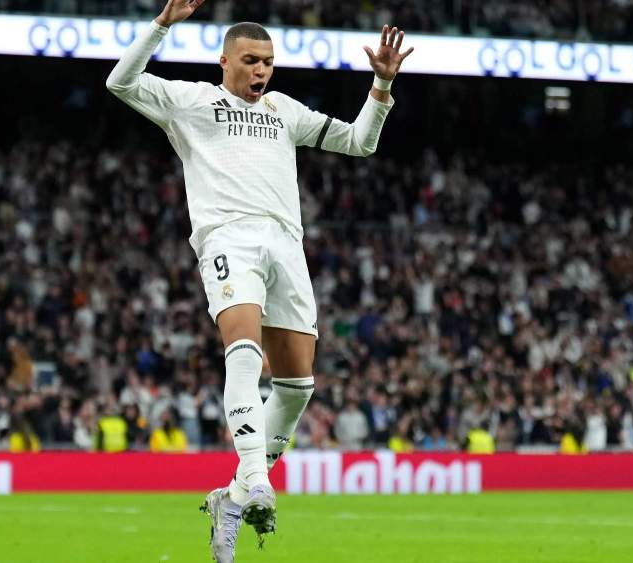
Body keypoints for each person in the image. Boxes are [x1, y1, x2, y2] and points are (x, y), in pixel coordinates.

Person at [107, 1, 413, 558]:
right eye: (250, 60)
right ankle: (256, 476)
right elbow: (120, 81)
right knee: (244, 351)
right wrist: (161, 26)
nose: (261, 71)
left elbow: (359, 142)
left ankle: (233, 493)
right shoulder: (193, 102)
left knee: (298, 386)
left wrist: (381, 89)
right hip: (229, 237)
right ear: (223, 60)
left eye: (268, 61)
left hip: (286, 243)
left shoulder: (282, 109)